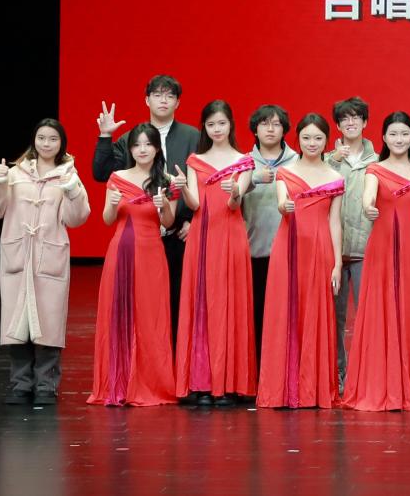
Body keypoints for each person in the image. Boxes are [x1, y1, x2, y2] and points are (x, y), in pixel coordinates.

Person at [0, 119, 91, 405]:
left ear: (61, 143)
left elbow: (77, 218)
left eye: (53, 139)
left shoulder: (68, 174)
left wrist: (72, 189)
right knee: (17, 324)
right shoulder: (15, 173)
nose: (46, 144)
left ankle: (46, 386)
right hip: (18, 256)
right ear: (34, 140)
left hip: (49, 257)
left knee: (49, 324)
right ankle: (20, 384)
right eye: (41, 138)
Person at [342, 112, 410, 411]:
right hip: (382, 250)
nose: (399, 139)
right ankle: (380, 386)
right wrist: (368, 207)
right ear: (384, 138)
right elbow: (368, 196)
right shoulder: (375, 169)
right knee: (381, 311)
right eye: (393, 134)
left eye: (404, 134)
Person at [93, 76, 200, 344]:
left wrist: (192, 220)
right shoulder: (131, 137)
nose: (163, 100)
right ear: (147, 100)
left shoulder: (193, 136)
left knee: (174, 303)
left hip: (179, 232)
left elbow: (203, 182)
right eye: (157, 95)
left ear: (177, 102)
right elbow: (101, 172)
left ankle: (171, 362)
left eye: (169, 95)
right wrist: (105, 136)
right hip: (138, 236)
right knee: (137, 305)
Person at [256, 114, 344, 409]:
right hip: (289, 247)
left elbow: (335, 222)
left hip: (320, 250)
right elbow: (282, 202)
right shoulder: (286, 172)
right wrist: (285, 206)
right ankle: (282, 388)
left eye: (318, 138)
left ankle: (312, 388)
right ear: (298, 140)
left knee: (315, 314)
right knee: (285, 313)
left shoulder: (334, 176)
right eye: (306, 138)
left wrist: (337, 263)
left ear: (326, 141)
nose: (312, 143)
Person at [88, 124, 178, 406]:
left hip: (152, 253)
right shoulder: (117, 177)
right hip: (122, 250)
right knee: (120, 313)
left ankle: (152, 383)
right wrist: (112, 204)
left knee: (151, 316)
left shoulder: (166, 180)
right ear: (130, 149)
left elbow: (168, 223)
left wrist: (164, 205)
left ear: (157, 149)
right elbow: (106, 220)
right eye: (137, 145)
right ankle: (120, 383)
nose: (142, 150)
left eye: (148, 144)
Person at [175, 100, 256, 406]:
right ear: (204, 128)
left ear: (230, 124)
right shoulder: (195, 160)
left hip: (231, 234)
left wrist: (234, 193)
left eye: (221, 123)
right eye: (211, 125)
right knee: (202, 302)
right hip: (202, 235)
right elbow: (195, 204)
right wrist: (183, 188)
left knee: (230, 301)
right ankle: (202, 382)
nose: (217, 129)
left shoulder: (244, 161)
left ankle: (230, 383)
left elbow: (235, 204)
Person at [325, 97, 380, 393]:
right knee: (333, 319)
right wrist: (333, 161)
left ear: (365, 122)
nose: (350, 122)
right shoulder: (324, 160)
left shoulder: (379, 161)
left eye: (356, 117)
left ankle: (366, 376)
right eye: (344, 118)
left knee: (369, 317)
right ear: (337, 125)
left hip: (365, 251)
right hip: (332, 252)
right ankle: (338, 374)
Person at [242, 104, 297, 357]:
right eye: (264, 124)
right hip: (254, 251)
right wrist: (252, 179)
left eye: (276, 124)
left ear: (284, 129)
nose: (271, 129)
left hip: (290, 252)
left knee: (287, 316)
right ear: (255, 129)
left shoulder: (298, 161)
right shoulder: (243, 162)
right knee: (257, 315)